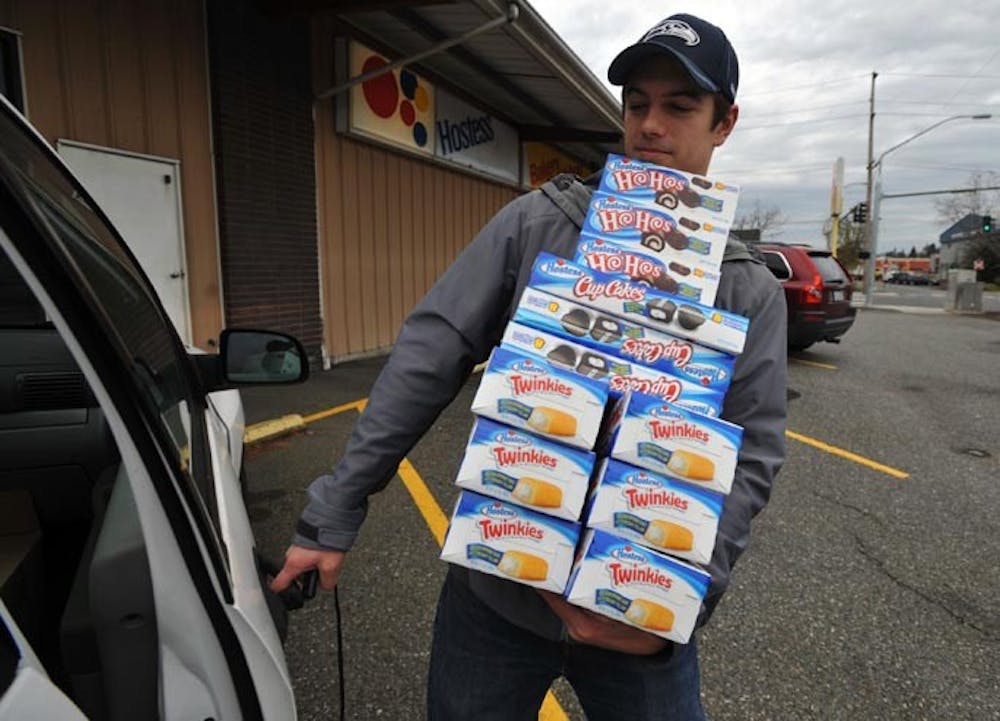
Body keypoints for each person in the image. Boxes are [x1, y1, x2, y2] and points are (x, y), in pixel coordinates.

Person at [271, 12, 787, 720]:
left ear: (724, 123)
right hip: (497, 598)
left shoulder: (746, 286)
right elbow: (428, 356)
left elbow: (753, 448)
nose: (650, 126)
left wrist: (687, 593)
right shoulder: (537, 224)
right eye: (637, 104)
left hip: (641, 623)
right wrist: (333, 512)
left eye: (679, 105)